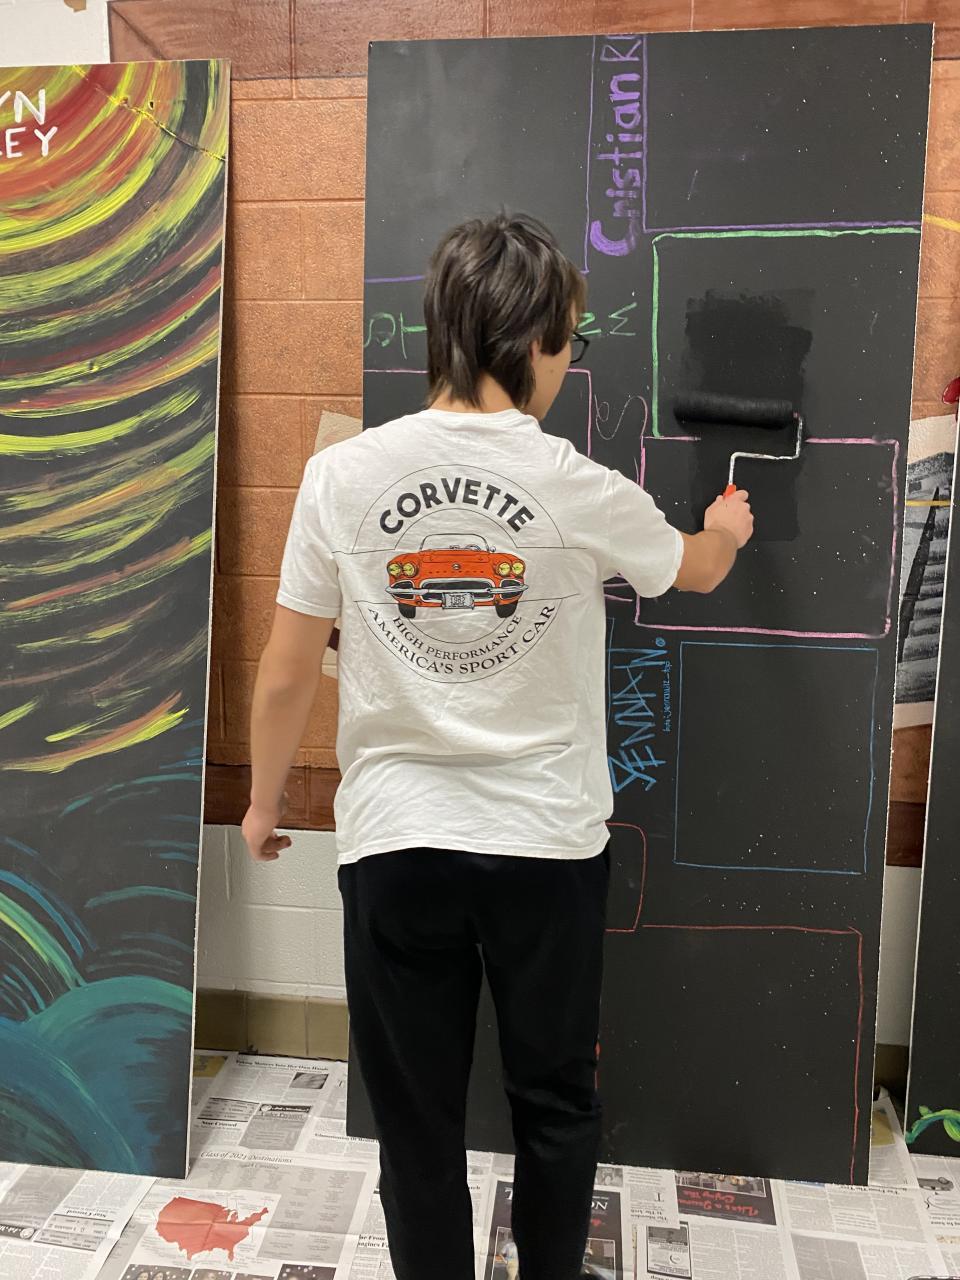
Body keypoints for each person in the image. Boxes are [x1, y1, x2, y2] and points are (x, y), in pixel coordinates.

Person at [242, 213, 753, 1280]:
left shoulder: (342, 476)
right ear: (531, 343)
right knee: (555, 1100)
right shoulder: (578, 484)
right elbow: (697, 568)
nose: (568, 362)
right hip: (545, 848)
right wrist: (729, 528)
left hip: (395, 846)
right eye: (569, 340)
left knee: (416, 1121)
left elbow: (287, 667)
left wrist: (262, 801)